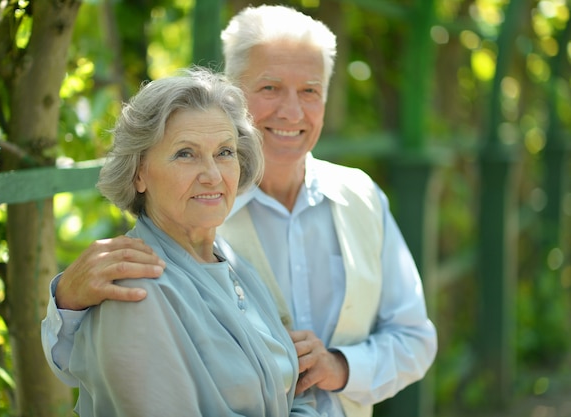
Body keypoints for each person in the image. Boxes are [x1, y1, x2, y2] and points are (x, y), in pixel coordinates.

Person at [42, 5, 437, 417]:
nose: (292, 111)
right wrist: (67, 304)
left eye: (310, 91)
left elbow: (413, 337)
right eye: (270, 88)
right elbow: (99, 361)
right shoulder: (185, 223)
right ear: (234, 89)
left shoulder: (357, 199)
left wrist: (341, 367)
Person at [47, 67, 320, 416]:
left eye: (224, 152)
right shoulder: (133, 285)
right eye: (185, 154)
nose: (212, 175)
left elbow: (295, 395)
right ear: (139, 173)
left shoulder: (233, 263)